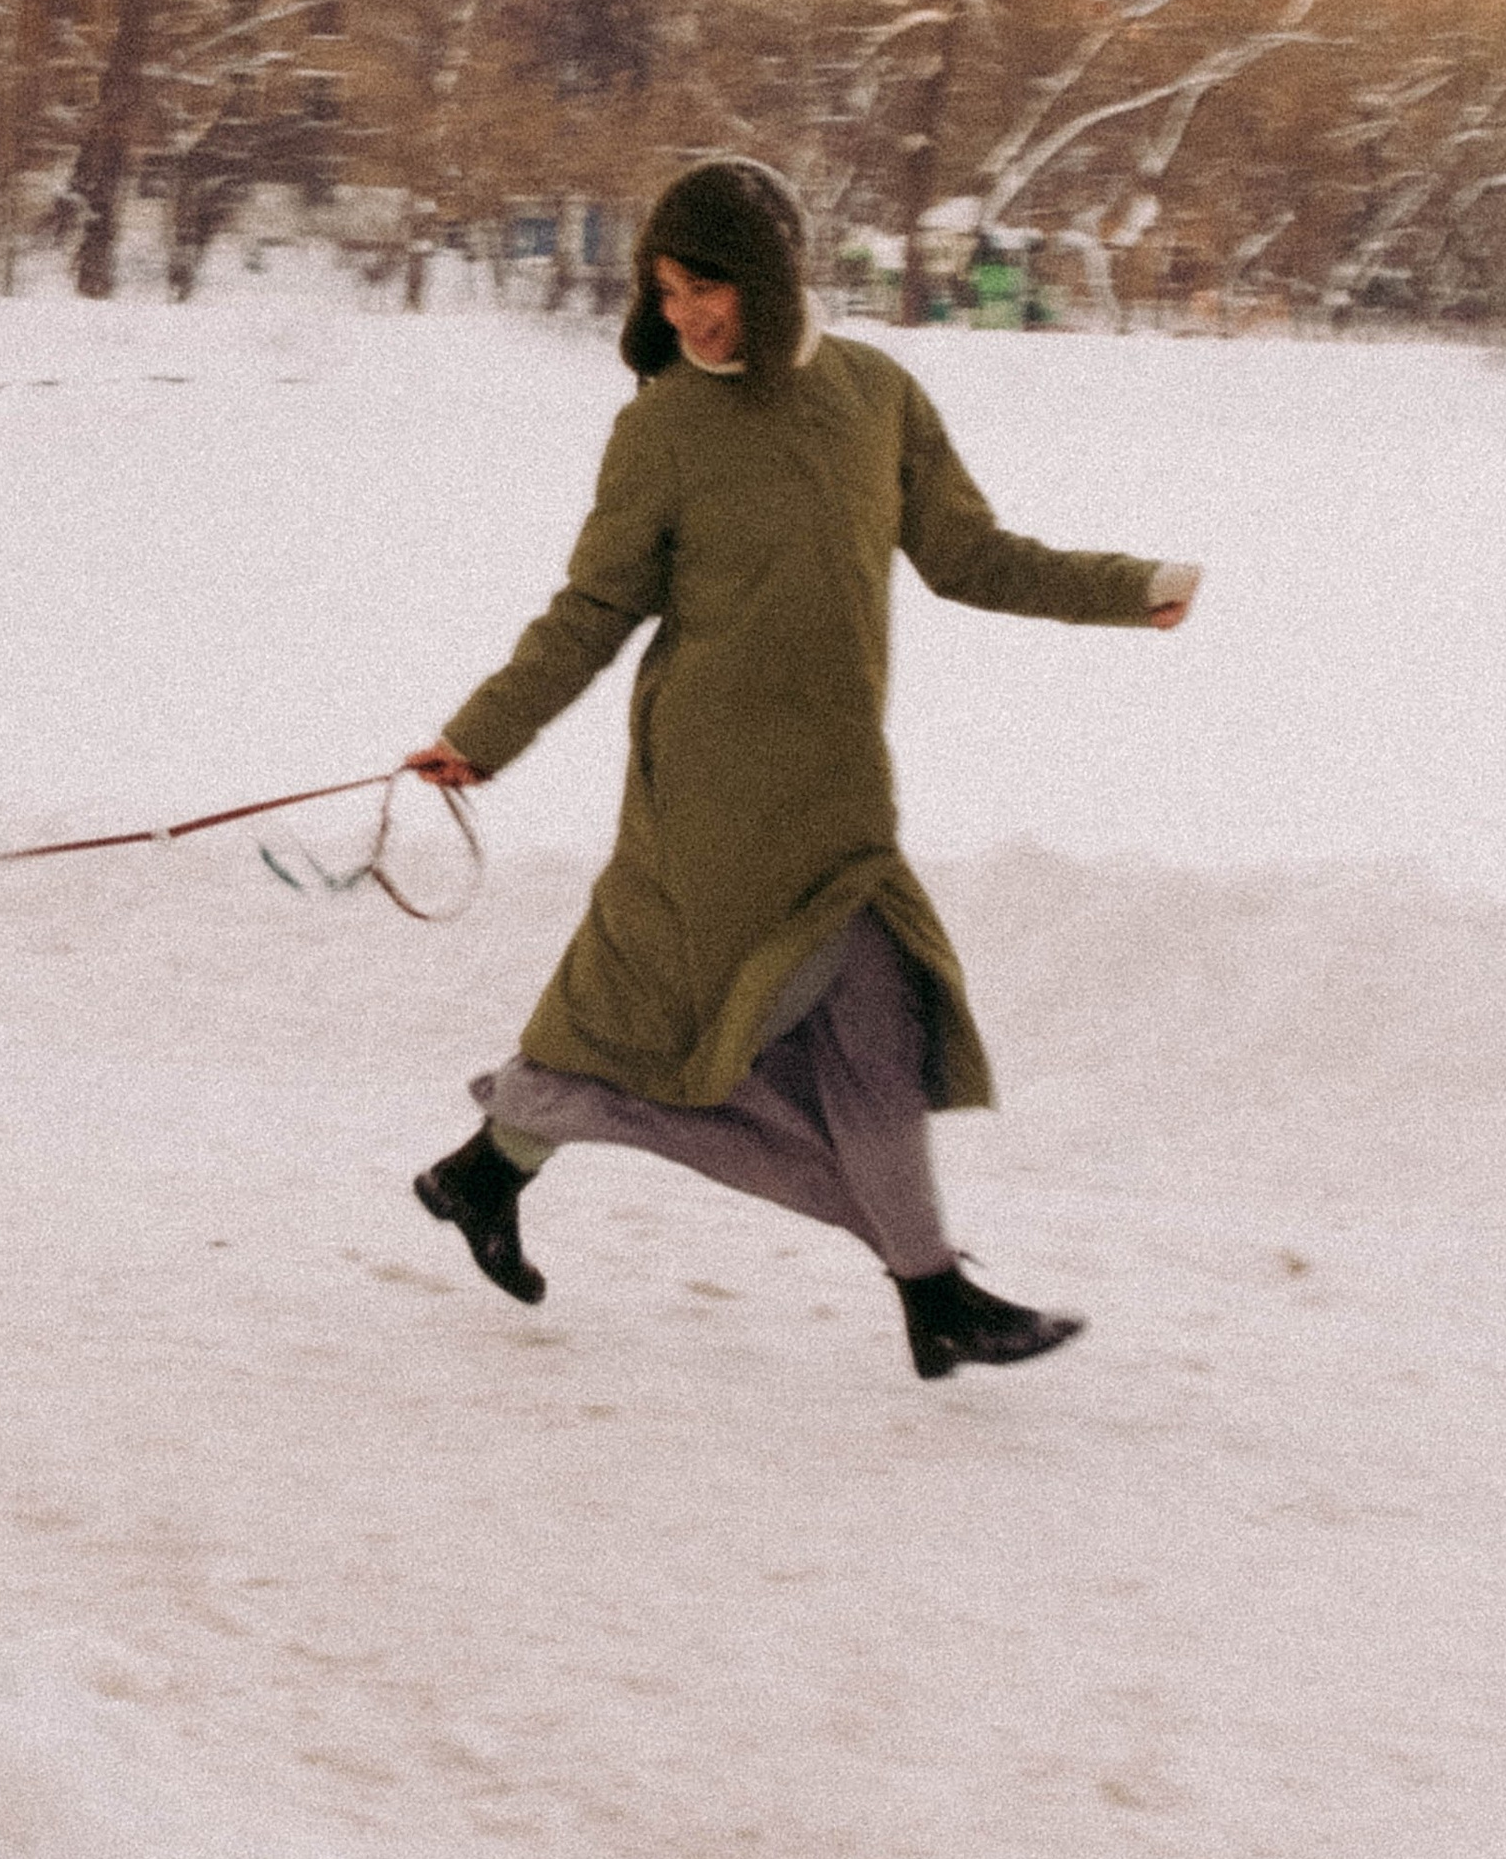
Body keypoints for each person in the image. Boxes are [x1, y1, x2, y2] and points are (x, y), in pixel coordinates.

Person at [406, 158, 1200, 1382]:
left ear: (772, 279)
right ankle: (930, 1291)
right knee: (652, 1033)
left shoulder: (876, 393)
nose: (685, 314)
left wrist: (1125, 590)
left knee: (867, 1030)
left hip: (838, 789)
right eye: (665, 290)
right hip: (709, 795)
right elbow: (593, 607)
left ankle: (486, 1173)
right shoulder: (663, 424)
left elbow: (969, 555)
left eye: (707, 285)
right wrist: (485, 731)